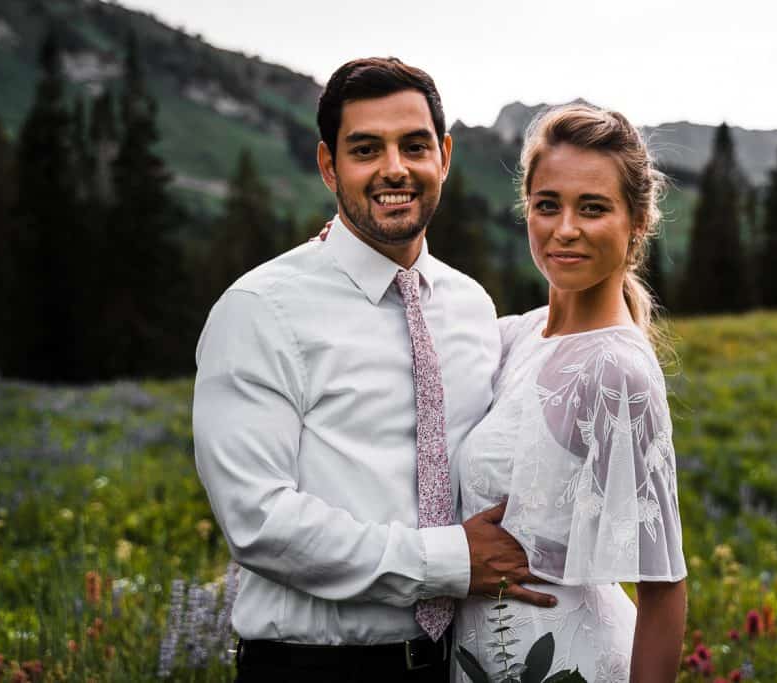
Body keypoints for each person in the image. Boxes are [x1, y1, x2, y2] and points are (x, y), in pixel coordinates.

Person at [192, 57, 554, 683]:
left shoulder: (471, 306)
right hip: (311, 668)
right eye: (366, 148)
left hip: (460, 664)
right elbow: (258, 520)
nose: (394, 168)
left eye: (414, 145)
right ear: (329, 165)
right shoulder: (260, 310)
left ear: (442, 155)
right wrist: (447, 562)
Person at [452, 104, 688, 682]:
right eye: (547, 205)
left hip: (565, 664)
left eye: (593, 208)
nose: (565, 229)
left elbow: (664, 589)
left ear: (637, 222)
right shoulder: (520, 333)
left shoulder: (615, 370)